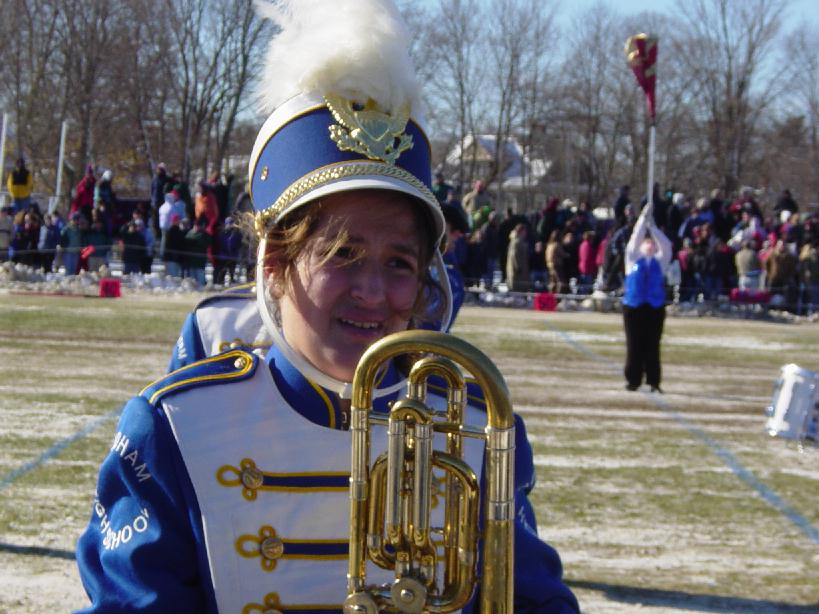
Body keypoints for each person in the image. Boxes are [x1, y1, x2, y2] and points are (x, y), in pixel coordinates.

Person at [74, 2, 578, 612]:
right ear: (274, 264)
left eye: (400, 263)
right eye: (342, 253)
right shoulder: (173, 427)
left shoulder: (479, 428)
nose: (373, 292)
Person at [622, 203, 672, 392]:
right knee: (634, 343)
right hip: (634, 306)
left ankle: (654, 380)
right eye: (647, 242)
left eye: (652, 242)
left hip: (654, 307)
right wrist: (643, 219)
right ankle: (633, 379)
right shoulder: (632, 259)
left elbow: (666, 246)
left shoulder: (660, 261)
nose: (649, 244)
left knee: (652, 345)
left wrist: (654, 228)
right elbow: (635, 239)